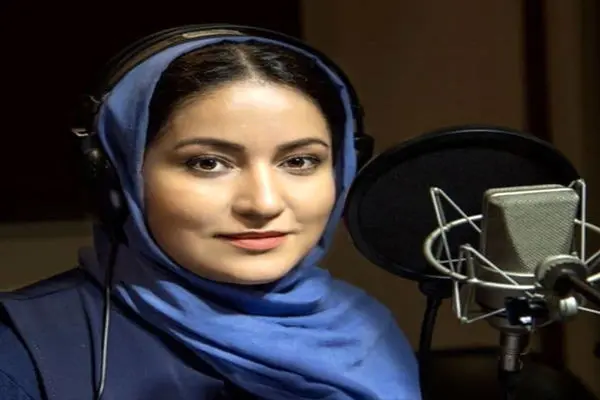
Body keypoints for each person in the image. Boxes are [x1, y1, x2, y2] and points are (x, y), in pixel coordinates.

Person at [0, 26, 421, 399]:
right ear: (117, 174)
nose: (264, 204)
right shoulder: (19, 349)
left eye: (299, 161)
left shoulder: (368, 329)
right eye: (208, 163)